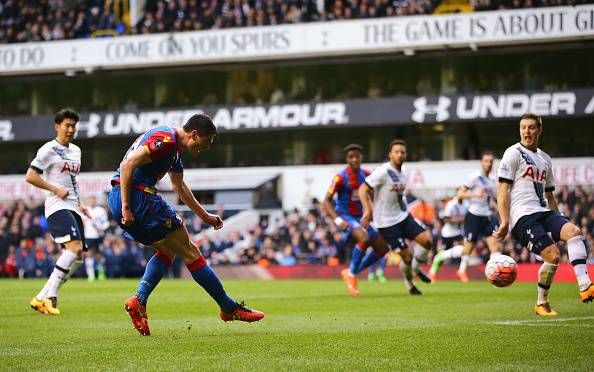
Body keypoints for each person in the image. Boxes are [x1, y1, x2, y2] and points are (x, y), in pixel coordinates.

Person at [107, 113, 264, 336]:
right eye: (206, 142)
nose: (206, 147)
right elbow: (126, 165)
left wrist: (205, 216)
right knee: (191, 251)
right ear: (194, 134)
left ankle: (138, 300)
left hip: (123, 198)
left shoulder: (174, 152)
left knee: (169, 250)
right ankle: (229, 308)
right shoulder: (167, 139)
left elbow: (179, 187)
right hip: (136, 197)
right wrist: (126, 206)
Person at [493, 113, 594, 316]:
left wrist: (560, 220)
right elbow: (502, 188)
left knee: (574, 232)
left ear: (539, 130)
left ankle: (585, 286)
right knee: (553, 256)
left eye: (531, 127)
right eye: (523, 127)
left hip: (545, 212)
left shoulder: (545, 159)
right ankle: (541, 303)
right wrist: (504, 220)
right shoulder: (513, 153)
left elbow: (549, 195)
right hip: (523, 217)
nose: (526, 132)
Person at [27, 109, 90, 315]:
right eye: (67, 125)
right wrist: (55, 189)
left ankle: (39, 298)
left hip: (73, 206)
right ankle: (51, 296)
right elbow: (30, 176)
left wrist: (80, 204)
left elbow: (73, 181)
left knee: (78, 257)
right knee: (74, 248)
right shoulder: (48, 149)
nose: (71, 129)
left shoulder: (77, 151)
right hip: (56, 206)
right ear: (57, 126)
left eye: (73, 126)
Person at [359, 139, 433, 295]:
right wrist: (368, 210)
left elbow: (397, 195)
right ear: (390, 155)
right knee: (407, 257)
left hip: (402, 216)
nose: (399, 155)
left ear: (405, 154)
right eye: (396, 152)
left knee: (427, 241)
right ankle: (409, 283)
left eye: (402, 152)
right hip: (387, 223)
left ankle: (416, 269)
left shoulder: (404, 171)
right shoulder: (383, 171)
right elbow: (362, 189)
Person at [322, 144, 390, 296]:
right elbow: (326, 201)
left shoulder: (367, 175)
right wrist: (338, 220)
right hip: (345, 216)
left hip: (361, 217)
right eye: (351, 157)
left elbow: (373, 196)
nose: (354, 159)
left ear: (361, 158)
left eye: (357, 156)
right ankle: (352, 275)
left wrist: (372, 211)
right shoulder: (340, 178)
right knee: (364, 238)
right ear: (347, 159)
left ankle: (352, 272)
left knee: (383, 248)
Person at [454, 151, 500, 282]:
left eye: (491, 161)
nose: (489, 164)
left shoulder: (492, 181)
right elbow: (460, 194)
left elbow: (490, 199)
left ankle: (495, 273)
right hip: (474, 215)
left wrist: (498, 209)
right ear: (481, 162)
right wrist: (475, 195)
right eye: (486, 161)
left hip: (487, 216)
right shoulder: (474, 177)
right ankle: (461, 270)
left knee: (494, 246)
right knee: (468, 248)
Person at [429, 196, 467, 281]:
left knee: (466, 250)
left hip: (459, 232)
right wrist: (459, 220)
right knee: (442, 258)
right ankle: (432, 273)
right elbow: (446, 219)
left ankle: (462, 271)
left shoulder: (466, 204)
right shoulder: (451, 204)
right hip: (447, 234)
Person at [82, 195, 109, 281]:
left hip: (98, 236)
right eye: (91, 200)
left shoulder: (101, 211)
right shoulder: (85, 210)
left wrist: (101, 228)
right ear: (89, 201)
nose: (92, 202)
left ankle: (101, 273)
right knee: (89, 254)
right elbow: (81, 222)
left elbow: (106, 223)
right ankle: (91, 275)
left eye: (94, 200)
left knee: (99, 255)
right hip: (88, 236)